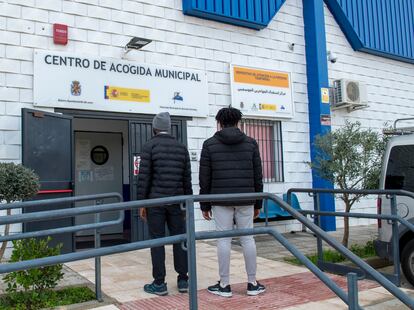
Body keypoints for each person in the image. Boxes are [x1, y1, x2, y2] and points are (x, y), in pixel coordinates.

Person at [199, 106, 265, 298]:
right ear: (238, 122)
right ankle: (252, 283)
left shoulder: (209, 144)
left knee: (223, 239)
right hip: (246, 199)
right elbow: (257, 176)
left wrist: (205, 204)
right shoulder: (251, 143)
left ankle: (225, 285)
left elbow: (205, 177)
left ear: (219, 123)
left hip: (220, 200)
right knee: (248, 239)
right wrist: (258, 203)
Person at [137, 112, 192, 296]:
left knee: (157, 240)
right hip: (177, 202)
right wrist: (187, 203)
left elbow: (143, 178)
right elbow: (187, 179)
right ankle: (183, 279)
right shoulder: (181, 148)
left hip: (156, 202)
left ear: (154, 128)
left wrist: (142, 203)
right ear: (169, 128)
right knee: (180, 239)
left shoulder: (149, 146)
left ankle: (159, 283)